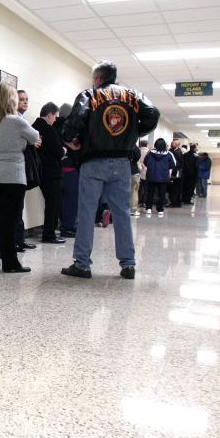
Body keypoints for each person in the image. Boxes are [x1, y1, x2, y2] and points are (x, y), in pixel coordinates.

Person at [60, 61, 159, 280]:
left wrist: (69, 139)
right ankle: (128, 264)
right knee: (122, 212)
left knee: (86, 212)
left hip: (93, 161)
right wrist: (133, 131)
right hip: (122, 163)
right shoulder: (133, 95)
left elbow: (76, 119)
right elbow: (153, 113)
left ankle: (82, 264)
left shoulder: (90, 94)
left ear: (97, 79)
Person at [0, 82, 41, 273]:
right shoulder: (17, 121)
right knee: (9, 221)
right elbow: (35, 137)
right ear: (11, 99)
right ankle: (10, 263)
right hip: (12, 178)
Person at [32, 102, 65, 244]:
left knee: (50, 203)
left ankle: (49, 233)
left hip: (40, 171)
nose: (56, 120)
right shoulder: (48, 129)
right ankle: (49, 234)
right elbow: (57, 151)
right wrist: (64, 151)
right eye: (55, 117)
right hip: (52, 172)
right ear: (49, 114)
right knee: (53, 204)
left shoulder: (33, 127)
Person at [14, 89, 37, 253]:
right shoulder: (14, 120)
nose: (25, 102)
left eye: (27, 99)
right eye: (22, 99)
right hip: (13, 169)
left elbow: (35, 138)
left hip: (21, 168)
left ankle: (19, 240)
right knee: (15, 208)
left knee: (19, 207)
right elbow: (33, 138)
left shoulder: (23, 120)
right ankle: (16, 241)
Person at [56, 103, 79, 237]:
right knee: (72, 200)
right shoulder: (70, 128)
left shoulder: (53, 127)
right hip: (71, 168)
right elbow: (76, 146)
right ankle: (68, 227)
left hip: (58, 169)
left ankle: (62, 224)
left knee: (61, 200)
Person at [142, 138, 175, 217]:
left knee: (150, 193)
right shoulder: (168, 154)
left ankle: (149, 208)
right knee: (161, 194)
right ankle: (160, 209)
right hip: (163, 177)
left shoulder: (150, 154)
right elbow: (172, 166)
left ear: (155, 145)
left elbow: (145, 163)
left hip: (151, 176)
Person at [168, 139, 184, 207]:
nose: (171, 144)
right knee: (173, 188)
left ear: (177, 145)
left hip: (176, 173)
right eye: (171, 143)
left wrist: (174, 173)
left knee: (175, 188)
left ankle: (175, 202)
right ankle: (174, 201)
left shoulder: (177, 152)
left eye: (173, 143)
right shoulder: (172, 151)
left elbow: (177, 164)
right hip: (174, 172)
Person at [128, 144, 142, 216]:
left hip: (120, 171)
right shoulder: (132, 144)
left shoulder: (119, 142)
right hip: (133, 170)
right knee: (133, 191)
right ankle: (133, 210)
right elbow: (138, 155)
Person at [137, 139, 149, 206]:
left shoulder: (138, 151)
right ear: (146, 144)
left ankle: (138, 201)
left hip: (138, 171)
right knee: (146, 188)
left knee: (139, 188)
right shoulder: (149, 152)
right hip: (146, 171)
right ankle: (144, 202)